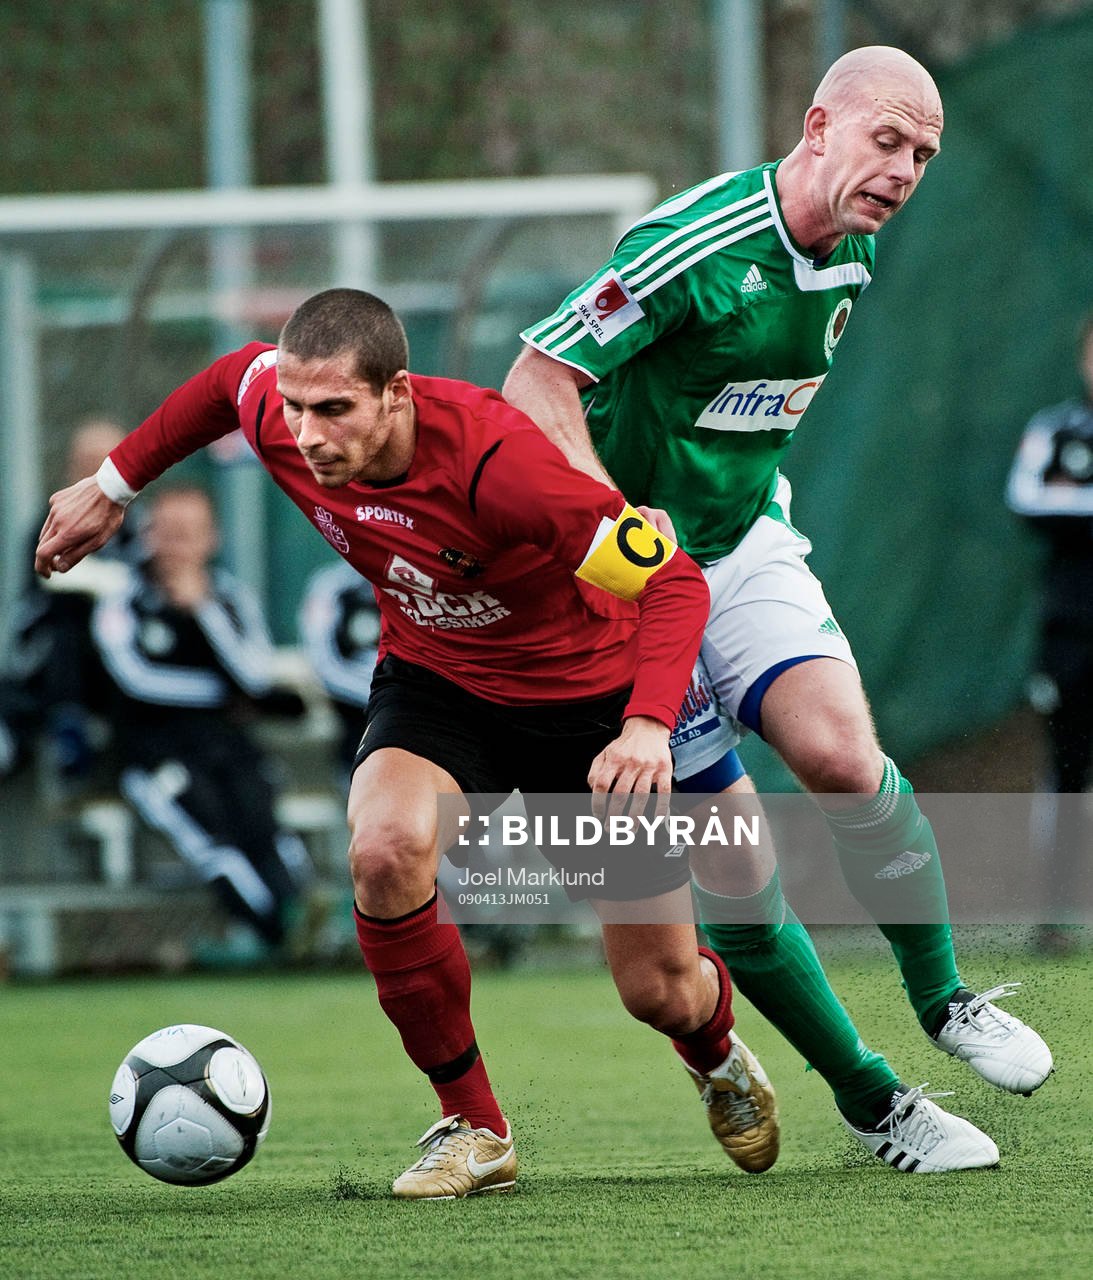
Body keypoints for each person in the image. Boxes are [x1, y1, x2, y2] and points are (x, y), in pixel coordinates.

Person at [36, 287, 780, 1198]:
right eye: (298, 408)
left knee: (659, 991)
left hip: (585, 707)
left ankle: (712, 1053)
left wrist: (643, 728)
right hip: (441, 686)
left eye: (334, 410)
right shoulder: (280, 410)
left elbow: (670, 585)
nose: (306, 433)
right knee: (384, 850)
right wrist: (110, 488)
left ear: (397, 394)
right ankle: (475, 1125)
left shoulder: (500, 464)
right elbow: (227, 383)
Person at [504, 44, 1051, 1170]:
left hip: (742, 543)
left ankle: (946, 999)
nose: (902, 171)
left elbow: (740, 410)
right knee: (736, 877)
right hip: (625, 583)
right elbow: (536, 380)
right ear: (817, 127)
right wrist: (618, 536)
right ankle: (874, 1102)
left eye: (922, 156)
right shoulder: (696, 243)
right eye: (885, 140)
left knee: (846, 758)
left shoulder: (848, 261)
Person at [89, 484, 314, 955]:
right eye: (168, 533)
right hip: (156, 751)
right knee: (213, 836)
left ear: (212, 539)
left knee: (266, 830)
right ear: (149, 535)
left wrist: (202, 609)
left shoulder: (229, 599)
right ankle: (273, 935)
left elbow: (253, 673)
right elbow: (135, 680)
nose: (179, 547)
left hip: (229, 744)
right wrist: (222, 694)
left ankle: (305, 928)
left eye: (190, 534)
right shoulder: (122, 599)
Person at [1007, 312, 1093, 955]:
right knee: (1065, 772)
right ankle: (1052, 916)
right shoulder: (1057, 427)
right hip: (1070, 633)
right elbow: (1027, 499)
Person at [0, 418, 136, 784]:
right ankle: (64, 733)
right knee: (70, 621)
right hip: (52, 656)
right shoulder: (54, 521)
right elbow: (58, 580)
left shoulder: (141, 527)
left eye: (106, 460)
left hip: (119, 661)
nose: (96, 471)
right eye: (86, 461)